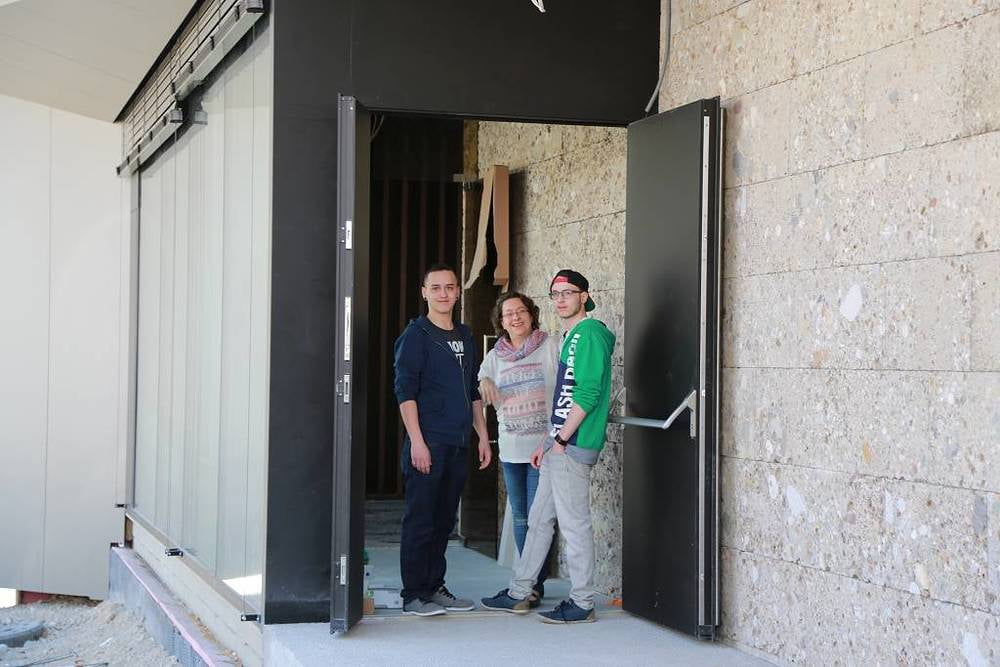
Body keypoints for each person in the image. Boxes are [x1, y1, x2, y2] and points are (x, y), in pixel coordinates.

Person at [481, 269, 615, 624]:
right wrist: (549, 439)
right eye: (556, 294)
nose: (561, 300)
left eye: (568, 293)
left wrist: (561, 438)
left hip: (573, 445)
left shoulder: (589, 334)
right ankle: (519, 591)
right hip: (558, 443)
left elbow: (588, 394)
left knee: (574, 525)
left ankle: (582, 602)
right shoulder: (571, 336)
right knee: (539, 521)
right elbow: (563, 396)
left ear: (584, 296)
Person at [394, 263, 493, 617]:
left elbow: (472, 390)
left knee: (443, 522)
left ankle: (434, 586)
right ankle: (413, 594)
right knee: (420, 520)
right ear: (424, 293)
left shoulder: (465, 335)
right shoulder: (416, 336)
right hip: (429, 443)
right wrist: (417, 442)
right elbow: (405, 392)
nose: (443, 294)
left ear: (457, 292)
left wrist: (483, 436)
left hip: (458, 443)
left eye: (450, 287)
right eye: (435, 288)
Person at [478, 292, 559, 607]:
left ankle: (531, 585)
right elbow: (482, 378)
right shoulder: (495, 355)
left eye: (520, 311)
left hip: (544, 448)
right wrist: (485, 381)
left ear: (531, 314)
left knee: (539, 519)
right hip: (511, 449)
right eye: (508, 313)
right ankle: (530, 584)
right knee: (522, 518)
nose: (515, 317)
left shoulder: (550, 346)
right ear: (501, 321)